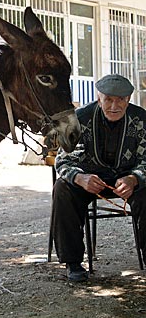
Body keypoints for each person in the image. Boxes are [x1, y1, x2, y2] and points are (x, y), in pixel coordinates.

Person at [51, 74, 146, 281]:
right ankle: (73, 262)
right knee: (62, 189)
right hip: (89, 179)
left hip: (127, 178)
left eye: (121, 100)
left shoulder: (141, 119)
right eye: (109, 99)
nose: (115, 106)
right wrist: (79, 178)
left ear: (129, 99)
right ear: (99, 97)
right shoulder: (77, 118)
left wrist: (135, 178)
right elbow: (63, 161)